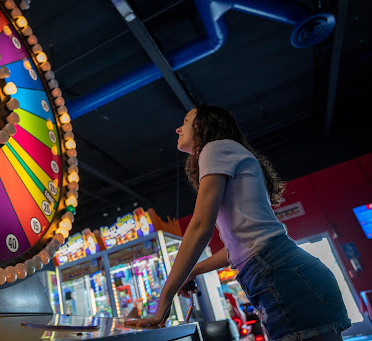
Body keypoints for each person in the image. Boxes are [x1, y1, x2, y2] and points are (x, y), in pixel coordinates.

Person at [124, 105, 351, 340]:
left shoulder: (215, 148)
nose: (178, 128)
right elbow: (243, 245)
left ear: (204, 125)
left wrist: (165, 297)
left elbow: (201, 226)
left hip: (279, 272)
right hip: (288, 270)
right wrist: (193, 271)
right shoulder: (227, 151)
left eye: (186, 120)